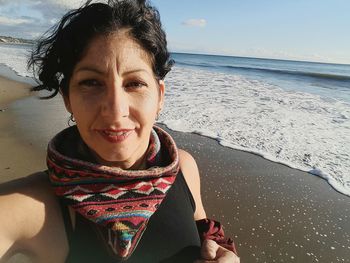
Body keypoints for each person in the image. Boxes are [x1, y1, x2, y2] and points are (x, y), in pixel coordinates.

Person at [0, 0, 239, 262]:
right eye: (91, 82)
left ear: (159, 97)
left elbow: (206, 233)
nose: (115, 110)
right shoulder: (29, 206)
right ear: (67, 97)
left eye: (134, 83)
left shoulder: (183, 168)